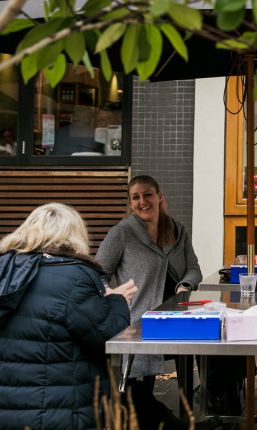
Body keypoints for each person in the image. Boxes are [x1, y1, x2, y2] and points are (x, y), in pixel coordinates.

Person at [0, 203, 136, 430]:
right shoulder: (75, 276)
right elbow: (107, 339)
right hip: (55, 412)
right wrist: (116, 300)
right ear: (74, 235)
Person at [96, 176, 230, 430]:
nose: (142, 201)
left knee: (217, 342)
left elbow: (193, 269)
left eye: (147, 195)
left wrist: (185, 286)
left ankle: (213, 402)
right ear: (130, 203)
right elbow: (97, 274)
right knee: (137, 389)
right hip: (139, 324)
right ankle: (160, 421)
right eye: (136, 197)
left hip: (178, 319)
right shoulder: (122, 233)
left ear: (160, 197)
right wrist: (111, 294)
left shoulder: (177, 230)